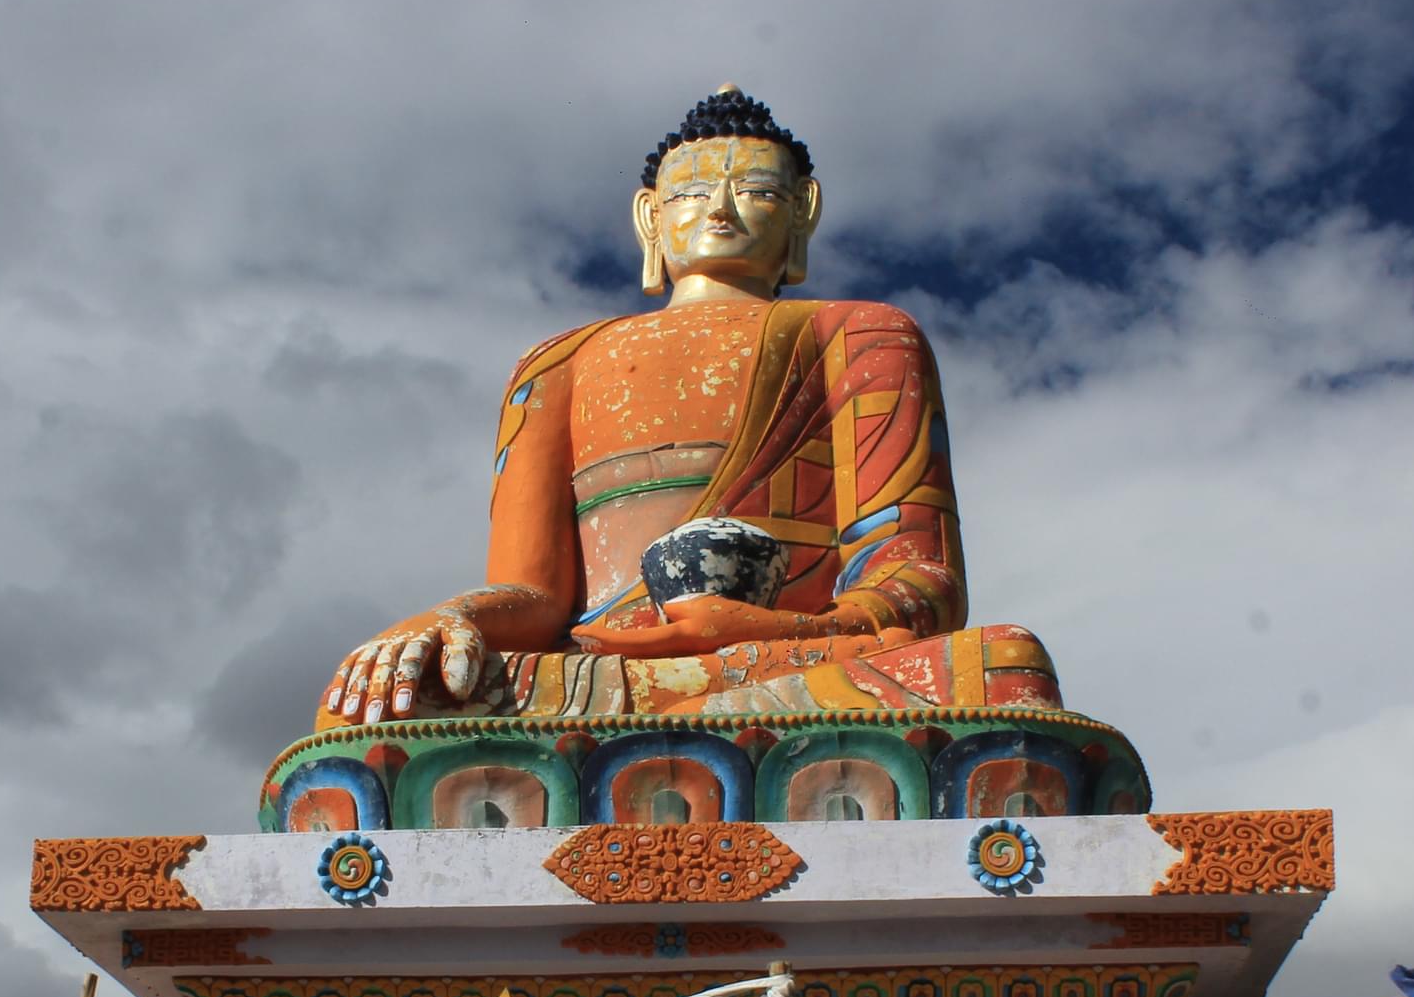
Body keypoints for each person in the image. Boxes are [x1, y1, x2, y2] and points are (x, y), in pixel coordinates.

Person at [319, 86, 1065, 728]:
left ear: (802, 211)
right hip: (600, 670)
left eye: (759, 191)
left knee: (1003, 664)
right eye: (691, 192)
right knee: (380, 699)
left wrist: (772, 628)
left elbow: (918, 581)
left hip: (791, 659)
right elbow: (536, 592)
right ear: (650, 217)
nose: (721, 209)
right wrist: (454, 620)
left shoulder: (865, 335)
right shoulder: (556, 363)